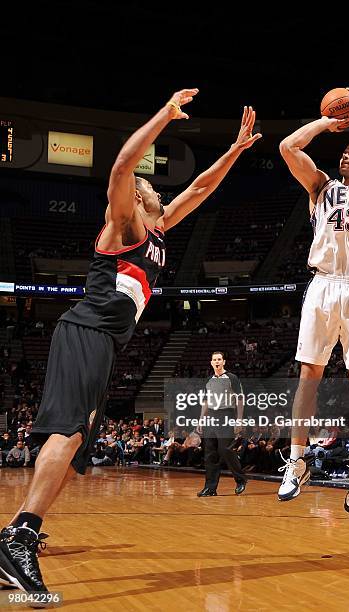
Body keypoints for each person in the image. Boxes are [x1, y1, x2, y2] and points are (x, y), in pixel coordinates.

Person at [0, 91, 261, 593]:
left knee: (76, 452)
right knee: (70, 432)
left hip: (105, 343)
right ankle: (20, 537)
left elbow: (201, 187)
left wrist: (234, 150)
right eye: (152, 186)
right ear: (140, 197)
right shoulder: (123, 224)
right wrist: (164, 114)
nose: (162, 190)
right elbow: (122, 166)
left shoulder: (159, 231)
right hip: (87, 331)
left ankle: (12, 535)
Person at [278, 87, 349, 513]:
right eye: (342, 153)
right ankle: (297, 460)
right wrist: (328, 122)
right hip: (323, 285)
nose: (345, 157)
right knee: (308, 375)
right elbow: (288, 146)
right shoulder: (321, 188)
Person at [196, 351, 247, 496]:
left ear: (224, 362)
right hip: (211, 416)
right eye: (214, 359)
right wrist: (201, 419)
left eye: (219, 359)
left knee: (226, 450)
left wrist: (239, 419)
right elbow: (205, 402)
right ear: (211, 362)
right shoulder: (209, 380)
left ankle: (240, 479)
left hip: (226, 414)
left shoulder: (232, 378)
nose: (217, 361)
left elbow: (240, 398)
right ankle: (210, 488)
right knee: (210, 453)